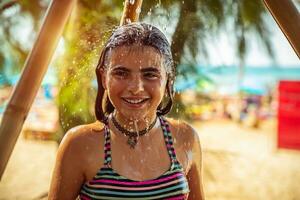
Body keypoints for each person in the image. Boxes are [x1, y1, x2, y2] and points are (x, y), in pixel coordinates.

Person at [48, 22, 205, 200]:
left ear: (168, 80)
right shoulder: (79, 144)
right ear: (103, 77)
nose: (136, 88)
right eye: (121, 73)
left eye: (150, 74)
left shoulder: (185, 138)